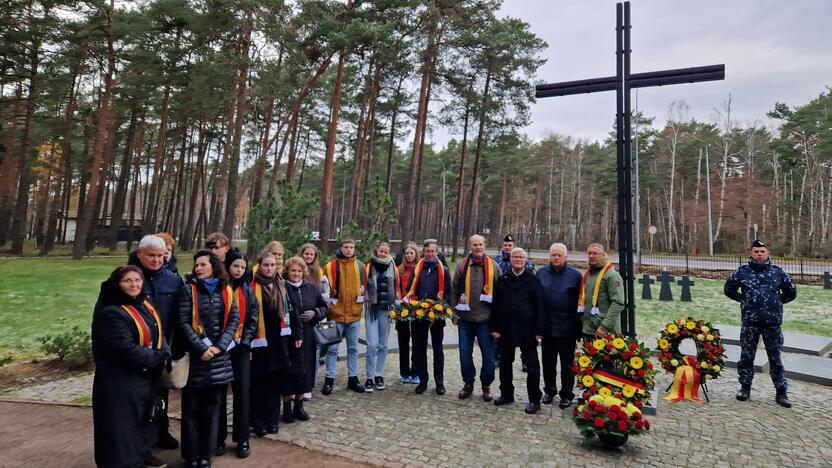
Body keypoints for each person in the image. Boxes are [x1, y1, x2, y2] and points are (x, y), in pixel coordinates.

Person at [92, 265, 170, 468]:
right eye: (128, 281)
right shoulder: (111, 312)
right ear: (117, 284)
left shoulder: (141, 303)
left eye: (137, 280)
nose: (134, 284)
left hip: (142, 378)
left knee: (141, 424)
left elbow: (156, 330)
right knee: (121, 430)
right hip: (119, 381)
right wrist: (157, 357)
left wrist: (164, 351)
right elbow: (124, 349)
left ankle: (139, 458)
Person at [177, 250, 240, 468]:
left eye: (203, 264)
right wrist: (201, 348)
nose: (198, 268)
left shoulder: (226, 290)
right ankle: (191, 455)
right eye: (196, 265)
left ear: (213, 266)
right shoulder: (188, 290)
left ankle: (206, 454)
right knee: (191, 410)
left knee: (212, 410)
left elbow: (234, 320)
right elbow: (183, 322)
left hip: (218, 360)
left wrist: (218, 347)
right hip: (196, 360)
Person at [725, 240, 797, 408]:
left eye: (762, 251)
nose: (759, 254)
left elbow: (791, 293)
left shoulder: (778, 273)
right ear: (751, 253)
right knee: (747, 356)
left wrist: (776, 302)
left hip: (772, 323)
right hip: (751, 322)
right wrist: (744, 300)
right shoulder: (742, 272)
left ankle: (781, 391)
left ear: (767, 253)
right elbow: (729, 289)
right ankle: (745, 388)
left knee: (775, 358)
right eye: (756, 251)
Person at [127, 234, 183, 451]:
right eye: (152, 255)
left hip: (162, 348)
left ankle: (161, 431)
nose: (157, 260)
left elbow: (180, 315)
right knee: (138, 398)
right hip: (137, 349)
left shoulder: (172, 280)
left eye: (161, 256)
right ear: (139, 254)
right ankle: (139, 442)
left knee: (161, 395)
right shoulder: (130, 278)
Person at [250, 252, 302, 435]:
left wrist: (297, 335)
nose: (270, 268)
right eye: (266, 265)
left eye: (273, 265)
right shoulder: (252, 286)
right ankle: (258, 421)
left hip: (280, 342)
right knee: (259, 383)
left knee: (274, 384)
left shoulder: (282, 285)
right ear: (260, 266)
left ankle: (272, 420)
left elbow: (293, 313)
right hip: (259, 342)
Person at [491, 248, 545, 414]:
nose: (518, 260)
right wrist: (495, 328)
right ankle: (507, 394)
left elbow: (541, 306)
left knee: (532, 367)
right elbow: (496, 305)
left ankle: (534, 399)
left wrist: (539, 330)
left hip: (527, 329)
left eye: (521, 257)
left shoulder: (533, 280)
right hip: (506, 328)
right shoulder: (502, 279)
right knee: (505, 364)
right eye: (515, 257)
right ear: (510, 259)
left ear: (525, 260)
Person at [216, 250, 259, 459]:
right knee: (220, 393)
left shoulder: (247, 289)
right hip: (221, 347)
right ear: (228, 266)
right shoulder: (219, 287)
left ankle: (242, 438)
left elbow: (253, 317)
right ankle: (218, 437)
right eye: (235, 266)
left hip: (241, 347)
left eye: (242, 267)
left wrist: (246, 341)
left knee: (242, 391)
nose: (238, 270)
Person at [451, 234, 501, 402]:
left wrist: (498, 321)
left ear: (484, 246)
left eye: (481, 244)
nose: (478, 247)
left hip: (486, 321)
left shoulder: (494, 266)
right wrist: (453, 312)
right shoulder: (462, 265)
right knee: (465, 355)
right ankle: (468, 384)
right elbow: (454, 290)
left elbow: (501, 294)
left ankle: (486, 385)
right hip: (465, 319)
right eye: (475, 245)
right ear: (470, 246)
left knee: (489, 357)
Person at [536, 243, 582, 409]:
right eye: (553, 255)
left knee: (567, 365)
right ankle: (550, 390)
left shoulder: (575, 276)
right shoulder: (541, 273)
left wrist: (578, 329)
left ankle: (566, 394)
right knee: (548, 363)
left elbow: (580, 303)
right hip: (547, 328)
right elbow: (537, 301)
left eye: (559, 255)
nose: (556, 258)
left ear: (566, 257)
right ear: (549, 256)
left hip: (567, 328)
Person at [405, 239, 451, 395]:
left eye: (432, 251)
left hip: (436, 316)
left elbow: (449, 293)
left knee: (438, 350)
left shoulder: (443, 270)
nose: (430, 254)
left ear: (437, 252)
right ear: (423, 252)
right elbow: (409, 290)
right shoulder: (417, 269)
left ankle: (439, 382)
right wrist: (415, 306)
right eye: (427, 251)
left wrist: (441, 307)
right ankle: (423, 380)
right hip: (419, 315)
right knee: (419, 349)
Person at [322, 239, 368, 394]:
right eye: (346, 247)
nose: (349, 250)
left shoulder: (361, 267)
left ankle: (353, 378)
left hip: (354, 316)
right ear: (341, 248)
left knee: (353, 349)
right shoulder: (330, 267)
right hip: (334, 316)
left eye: (351, 247)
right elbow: (323, 289)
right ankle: (329, 379)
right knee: (332, 349)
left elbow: (365, 288)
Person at [283, 256, 327, 418]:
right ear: (287, 271)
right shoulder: (282, 287)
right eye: (293, 270)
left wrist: (315, 313)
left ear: (304, 272)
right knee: (288, 372)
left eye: (299, 271)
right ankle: (286, 406)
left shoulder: (311, 288)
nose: (296, 274)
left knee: (305, 370)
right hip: (288, 336)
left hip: (308, 335)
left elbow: (324, 307)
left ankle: (299, 405)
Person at [364, 242, 400, 392]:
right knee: (372, 344)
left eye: (386, 252)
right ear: (376, 250)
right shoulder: (369, 266)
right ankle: (369, 376)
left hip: (386, 309)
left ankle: (379, 374)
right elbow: (364, 285)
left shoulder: (393, 267)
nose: (383, 254)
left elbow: (397, 287)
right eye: (381, 251)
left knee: (383, 345)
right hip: (372, 309)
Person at [299, 242, 331, 398]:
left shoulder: (319, 272)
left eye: (311, 254)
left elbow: (326, 294)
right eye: (306, 254)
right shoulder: (295, 269)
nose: (309, 257)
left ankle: (309, 383)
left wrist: (317, 311)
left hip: (314, 317)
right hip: (298, 319)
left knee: (313, 352)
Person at [579, 243, 624, 341]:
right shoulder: (589, 274)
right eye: (589, 253)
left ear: (603, 255)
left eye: (595, 253)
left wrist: (604, 326)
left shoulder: (611, 275)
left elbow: (618, 303)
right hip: (589, 329)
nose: (591, 256)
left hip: (605, 332)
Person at [396, 242, 420, 385]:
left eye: (412, 253)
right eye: (407, 253)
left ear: (416, 254)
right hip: (402, 309)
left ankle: (416, 371)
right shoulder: (399, 270)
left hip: (417, 309)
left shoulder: (420, 269)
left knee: (417, 342)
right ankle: (404, 371)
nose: (409, 255)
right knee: (403, 342)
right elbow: (396, 288)